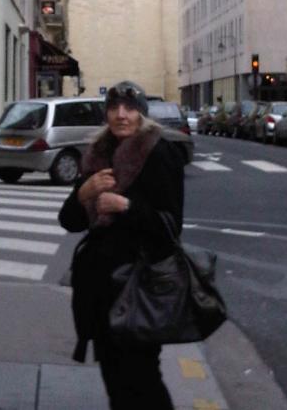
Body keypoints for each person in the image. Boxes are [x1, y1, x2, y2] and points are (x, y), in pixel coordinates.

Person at [58, 81, 184, 410]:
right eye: (114, 108)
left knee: (143, 379)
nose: (121, 115)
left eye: (129, 108)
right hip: (101, 291)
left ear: (141, 113)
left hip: (140, 289)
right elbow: (70, 221)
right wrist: (84, 194)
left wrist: (126, 207)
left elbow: (170, 226)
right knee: (115, 380)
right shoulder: (98, 155)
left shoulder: (159, 153)